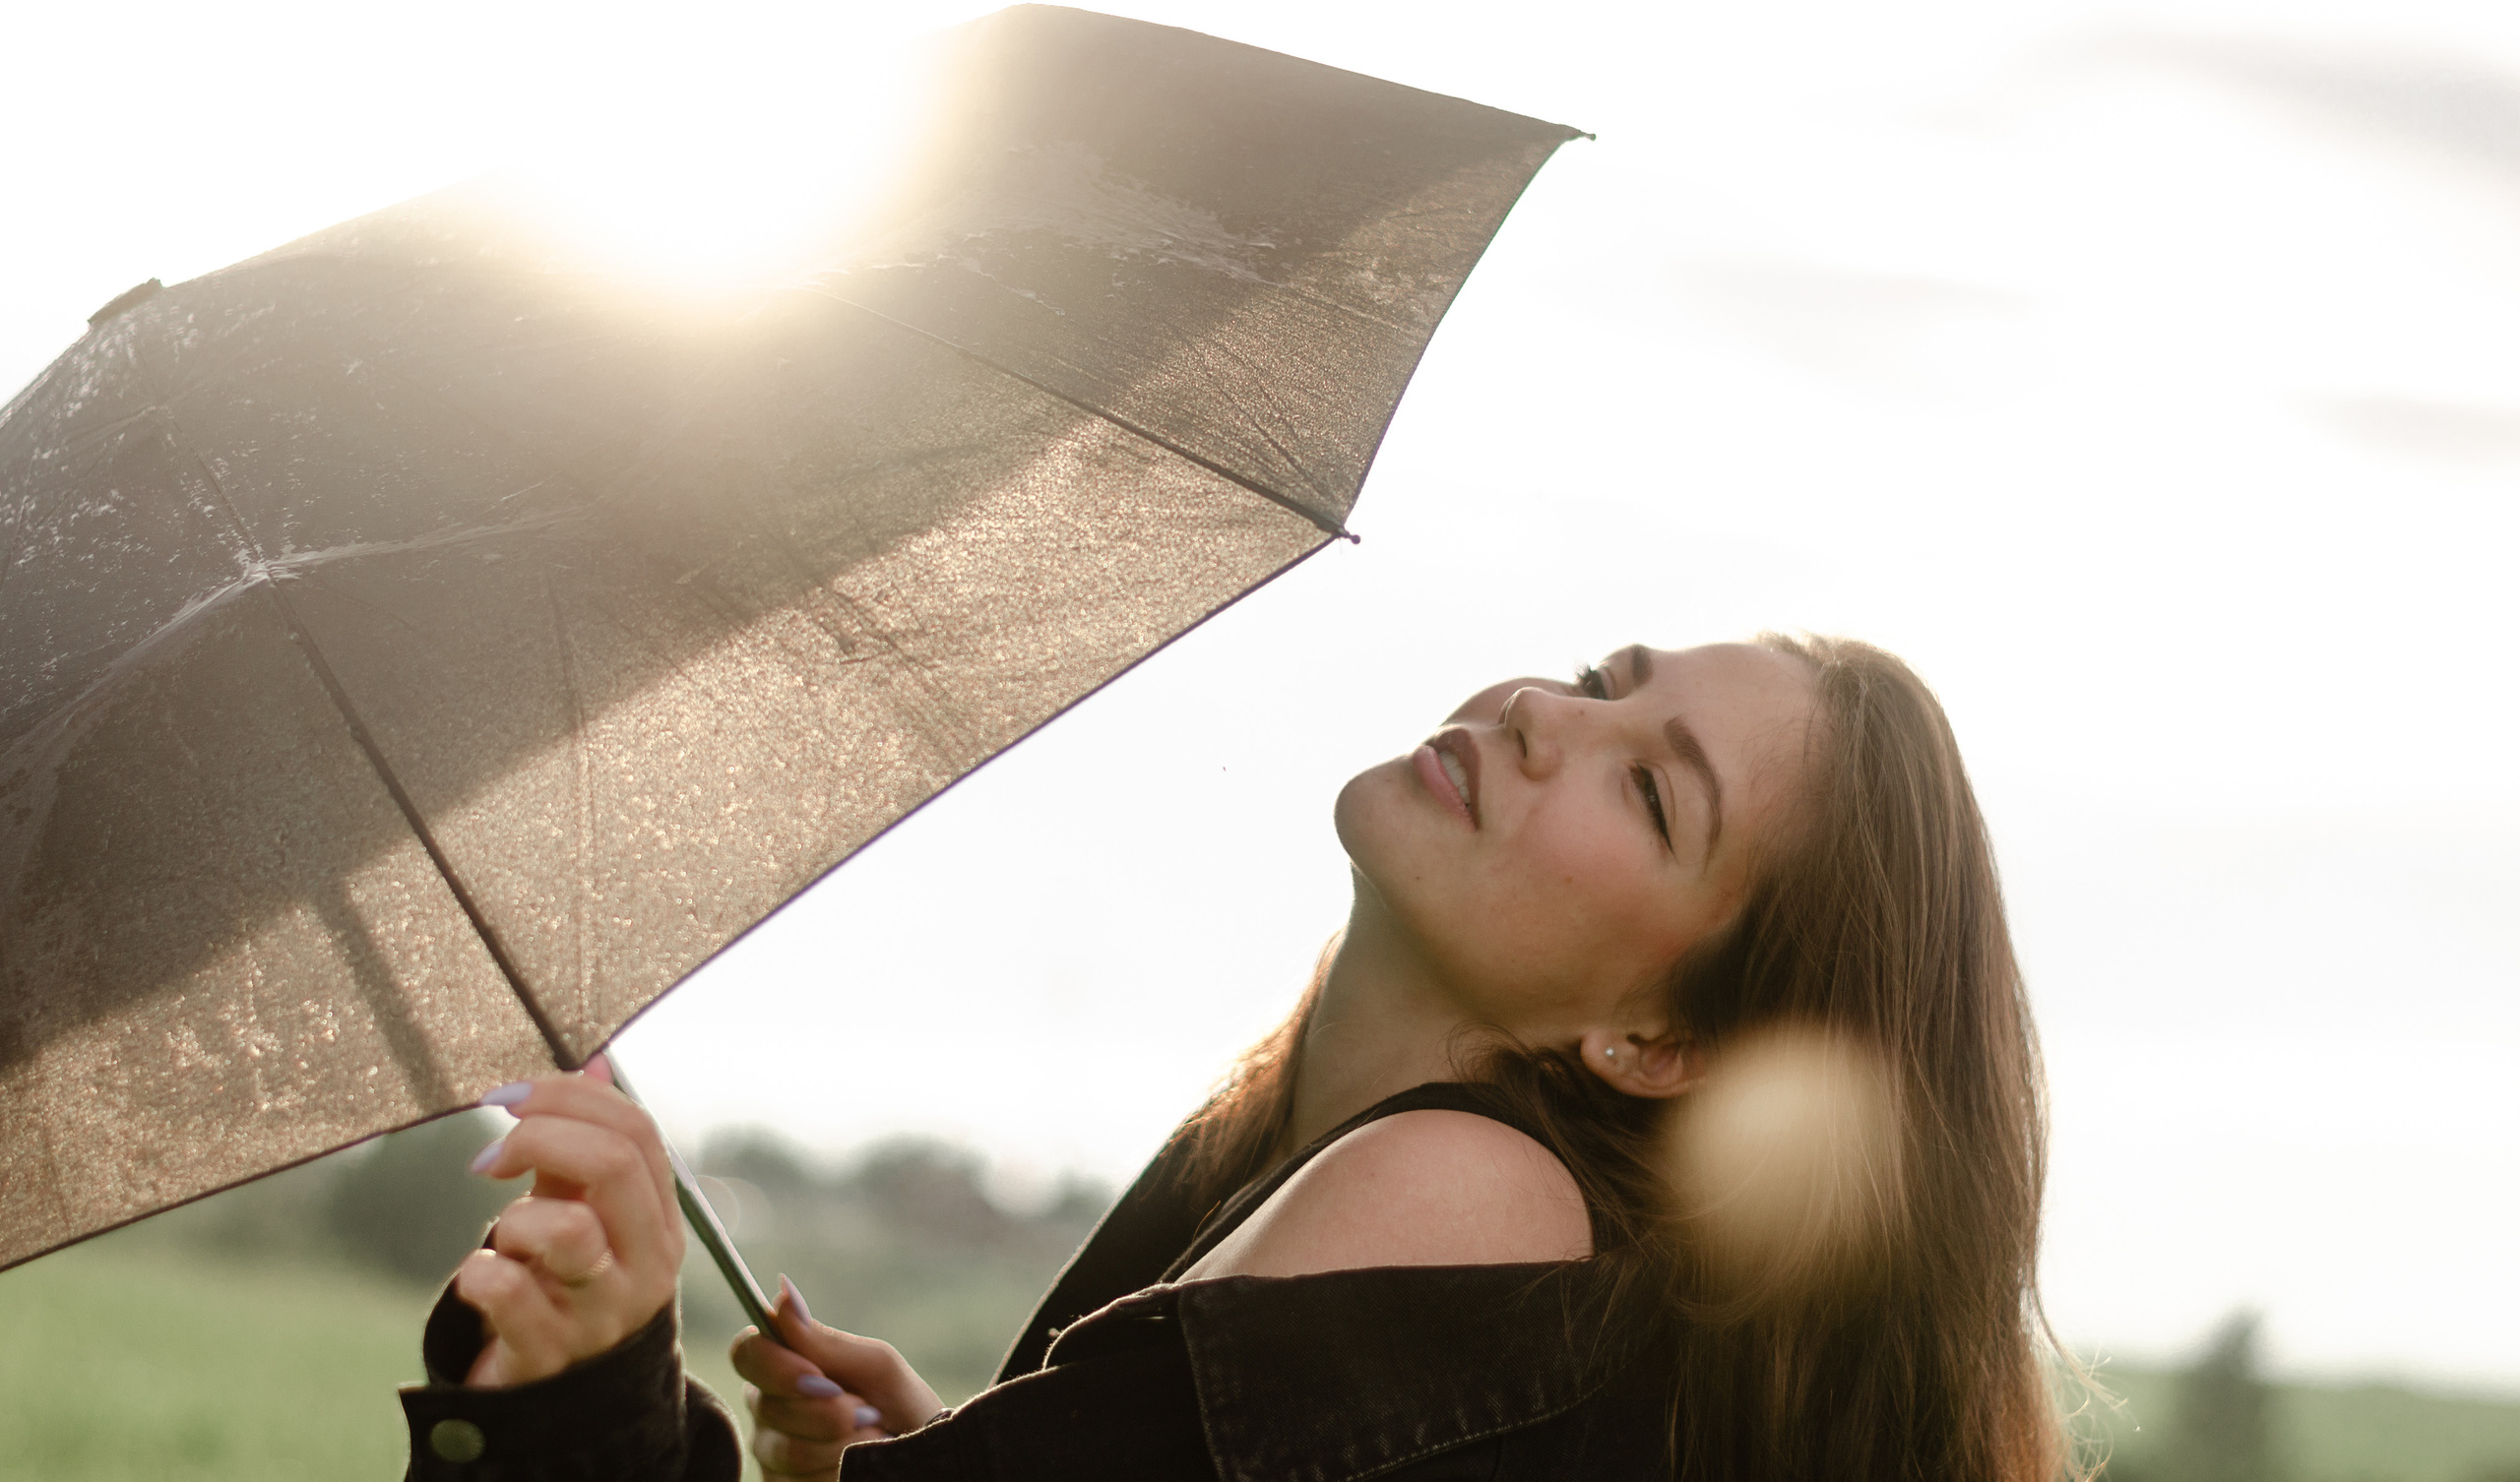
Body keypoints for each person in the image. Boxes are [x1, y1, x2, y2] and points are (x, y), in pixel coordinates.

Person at [399, 635, 2072, 1481]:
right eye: (1600, 680)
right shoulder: (1341, 1184)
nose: (1551, 716)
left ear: (1654, 1038)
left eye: (1650, 788)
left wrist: (592, 1394)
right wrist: (989, 1450)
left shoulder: (1467, 1193)